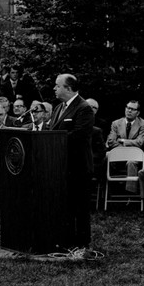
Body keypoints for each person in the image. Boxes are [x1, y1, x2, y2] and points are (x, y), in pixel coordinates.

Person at [50, 73, 94, 252]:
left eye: (57, 85)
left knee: (79, 207)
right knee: (65, 206)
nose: (54, 88)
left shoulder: (84, 108)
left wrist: (53, 140)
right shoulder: (58, 107)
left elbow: (79, 136)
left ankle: (82, 244)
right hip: (61, 166)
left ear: (68, 88)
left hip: (78, 167)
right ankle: (66, 239)